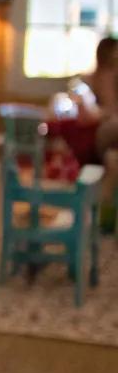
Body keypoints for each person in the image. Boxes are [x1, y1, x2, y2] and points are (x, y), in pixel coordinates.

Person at [80, 35, 118, 230]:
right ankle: (105, 219)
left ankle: (105, 218)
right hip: (105, 130)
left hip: (108, 139)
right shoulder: (106, 76)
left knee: (113, 161)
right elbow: (110, 109)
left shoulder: (98, 76)